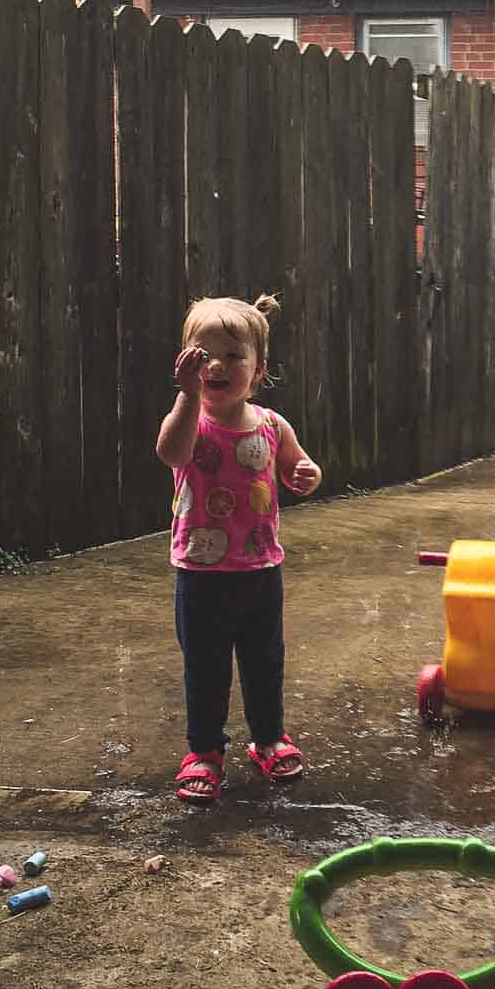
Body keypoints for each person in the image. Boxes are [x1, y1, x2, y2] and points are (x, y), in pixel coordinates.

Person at [155, 293, 321, 803]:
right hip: (202, 574)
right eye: (204, 356)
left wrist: (305, 475)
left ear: (258, 369)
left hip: (260, 569)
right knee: (205, 667)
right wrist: (185, 397)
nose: (218, 366)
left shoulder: (272, 425)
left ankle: (269, 739)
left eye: (233, 355)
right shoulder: (192, 421)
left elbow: (298, 466)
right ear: (188, 364)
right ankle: (204, 751)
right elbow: (170, 452)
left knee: (265, 660)